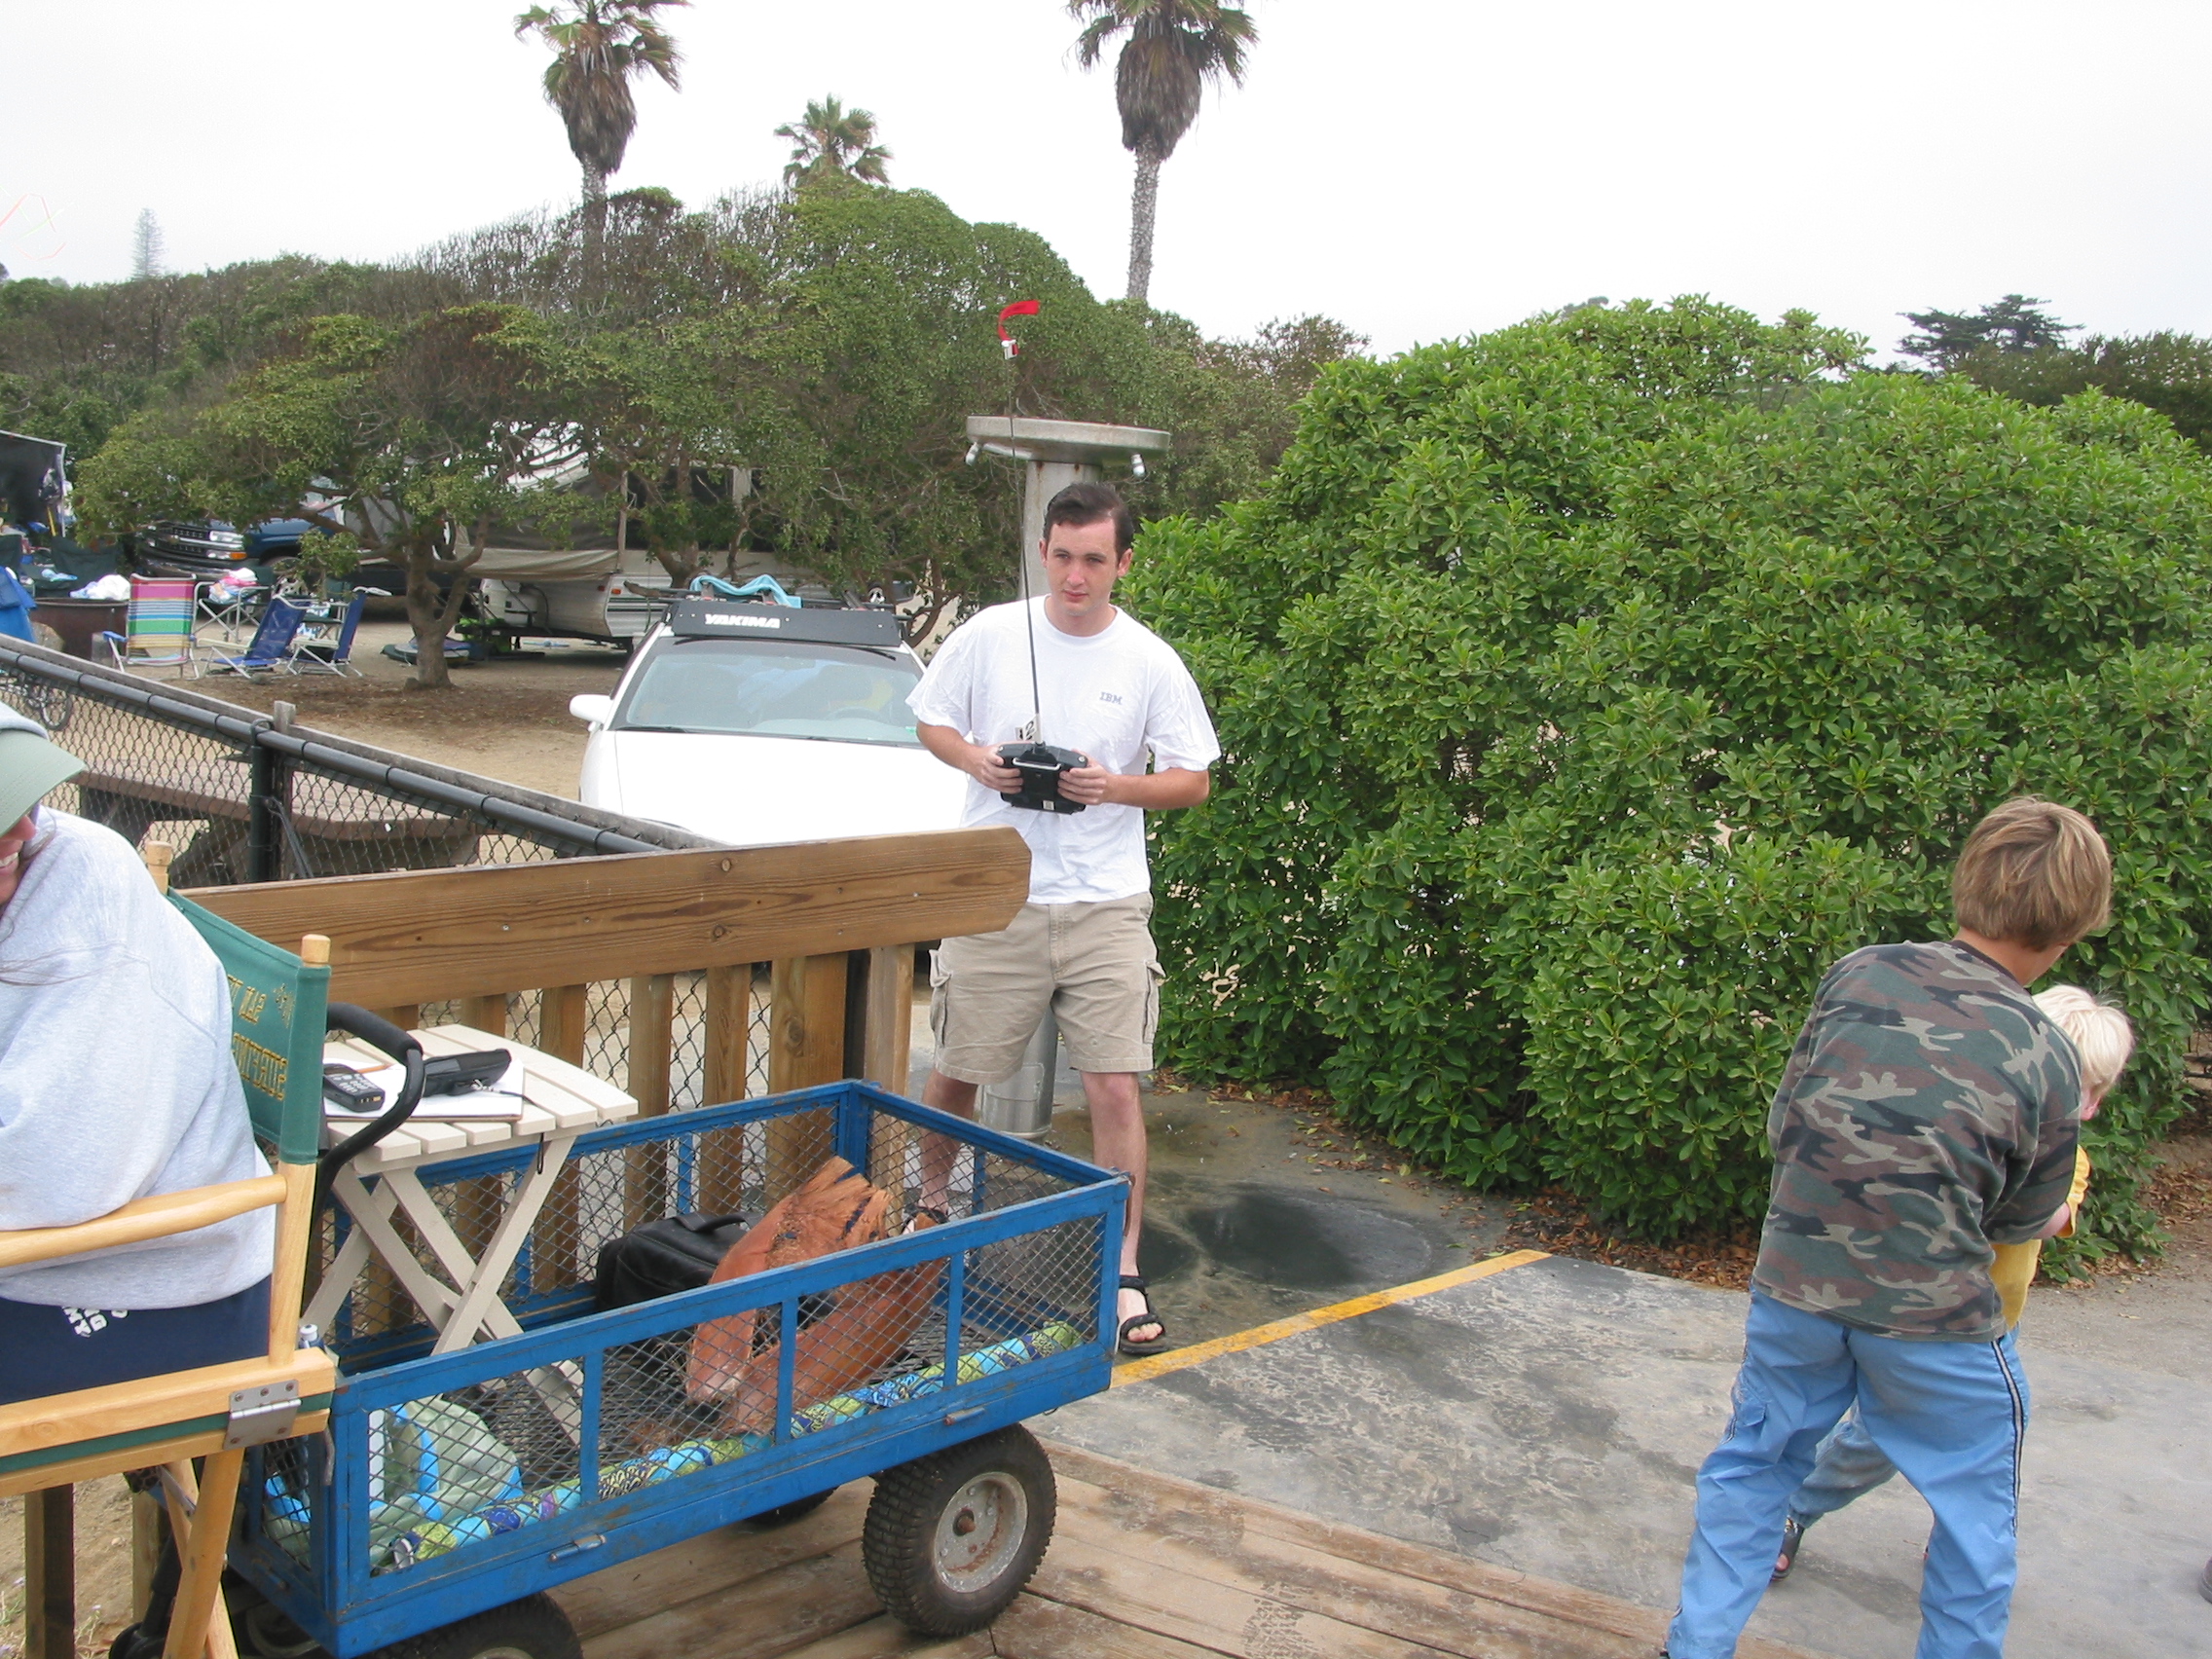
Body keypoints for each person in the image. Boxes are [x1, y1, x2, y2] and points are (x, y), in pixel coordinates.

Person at [1663, 797, 2107, 1659]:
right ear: (2071, 932)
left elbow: (1786, 1122)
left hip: (1795, 1288)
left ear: (1966, 883)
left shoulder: (1859, 973)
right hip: (1932, 1321)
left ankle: (1696, 1646)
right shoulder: (2046, 1053)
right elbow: (2022, 1218)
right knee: (1976, 1516)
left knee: (1754, 1469)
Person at [908, 480, 1218, 1356]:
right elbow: (929, 718)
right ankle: (930, 1218)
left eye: (1094, 559)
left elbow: (1192, 778)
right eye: (1062, 555)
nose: (1075, 576)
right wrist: (981, 763)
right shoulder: (987, 635)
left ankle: (1119, 1269)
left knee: (1115, 1083)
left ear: (1123, 562)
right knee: (958, 1068)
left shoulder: (1151, 660)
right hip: (997, 889)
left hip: (1106, 899)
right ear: (1042, 551)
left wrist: (1109, 785)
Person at [1768, 983, 2128, 1582]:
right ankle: (1793, 1508)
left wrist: (2009, 1177)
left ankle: (1959, 1544)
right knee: (1882, 1437)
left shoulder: (2067, 1161)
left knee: (1987, 1444)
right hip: (1913, 1315)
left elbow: (2055, 1215)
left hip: (1985, 1331)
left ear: (2091, 1103)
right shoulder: (1961, 1135)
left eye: (2072, 1090)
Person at [0, 703, 274, 1406]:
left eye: (24, 801)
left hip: (145, 1289)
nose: (27, 828)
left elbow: (55, 1177)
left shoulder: (81, 900)